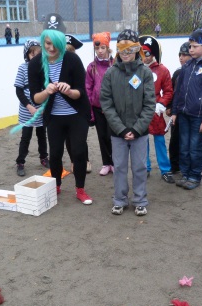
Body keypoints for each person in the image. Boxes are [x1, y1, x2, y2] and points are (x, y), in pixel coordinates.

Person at [26, 14, 93, 205]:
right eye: (47, 43)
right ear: (43, 41)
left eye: (55, 43)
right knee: (55, 153)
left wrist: (69, 90)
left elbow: (81, 92)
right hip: (53, 117)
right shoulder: (35, 63)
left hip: (76, 115)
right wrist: (47, 91)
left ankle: (80, 189)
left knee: (79, 152)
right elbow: (35, 98)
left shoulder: (72, 60)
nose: (51, 48)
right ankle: (56, 186)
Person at [100, 29, 155, 216]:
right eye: (122, 49)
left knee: (139, 166)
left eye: (130, 49)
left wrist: (137, 128)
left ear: (137, 49)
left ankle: (140, 200)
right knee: (120, 167)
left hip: (140, 132)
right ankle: (120, 199)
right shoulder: (110, 74)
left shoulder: (145, 73)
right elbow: (106, 104)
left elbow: (150, 104)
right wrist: (121, 129)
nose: (126, 53)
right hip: (118, 132)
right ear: (117, 50)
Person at [171, 29, 202, 190]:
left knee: (195, 146)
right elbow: (179, 90)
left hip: (198, 117)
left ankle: (195, 175)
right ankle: (185, 174)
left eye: (194, 46)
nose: (190, 50)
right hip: (183, 114)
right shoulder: (187, 66)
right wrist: (175, 111)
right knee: (183, 146)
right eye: (190, 46)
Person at [139, 35, 174, 183]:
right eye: (141, 52)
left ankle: (165, 169)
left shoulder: (162, 70)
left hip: (155, 110)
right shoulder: (136, 69)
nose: (143, 57)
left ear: (153, 54)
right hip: (139, 110)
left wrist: (162, 104)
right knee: (142, 140)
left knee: (159, 139)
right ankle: (144, 167)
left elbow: (168, 91)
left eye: (146, 53)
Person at [14, 40, 48, 177]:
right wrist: (29, 106)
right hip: (27, 111)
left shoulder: (44, 68)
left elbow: (46, 88)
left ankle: (44, 158)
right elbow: (19, 91)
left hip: (40, 110)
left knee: (42, 136)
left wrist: (44, 106)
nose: (35, 57)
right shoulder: (23, 68)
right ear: (27, 54)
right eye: (32, 54)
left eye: (38, 54)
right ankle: (20, 162)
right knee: (26, 137)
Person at [86, 32, 114, 176]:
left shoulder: (115, 65)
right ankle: (106, 163)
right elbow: (88, 88)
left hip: (113, 108)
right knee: (102, 135)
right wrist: (90, 110)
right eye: (98, 49)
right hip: (97, 108)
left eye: (103, 48)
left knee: (112, 136)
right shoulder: (91, 67)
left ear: (108, 48)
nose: (100, 51)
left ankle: (114, 162)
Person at [64, 34, 92, 173]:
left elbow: (83, 89)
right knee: (67, 140)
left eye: (70, 51)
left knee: (80, 139)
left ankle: (85, 160)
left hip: (78, 108)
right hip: (64, 110)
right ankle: (73, 161)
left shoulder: (78, 65)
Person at [166, 42, 192, 174]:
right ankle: (174, 165)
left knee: (188, 141)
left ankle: (186, 166)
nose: (181, 57)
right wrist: (169, 107)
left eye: (185, 55)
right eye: (180, 55)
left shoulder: (195, 72)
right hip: (177, 112)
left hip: (190, 112)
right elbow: (171, 92)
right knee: (174, 140)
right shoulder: (177, 73)